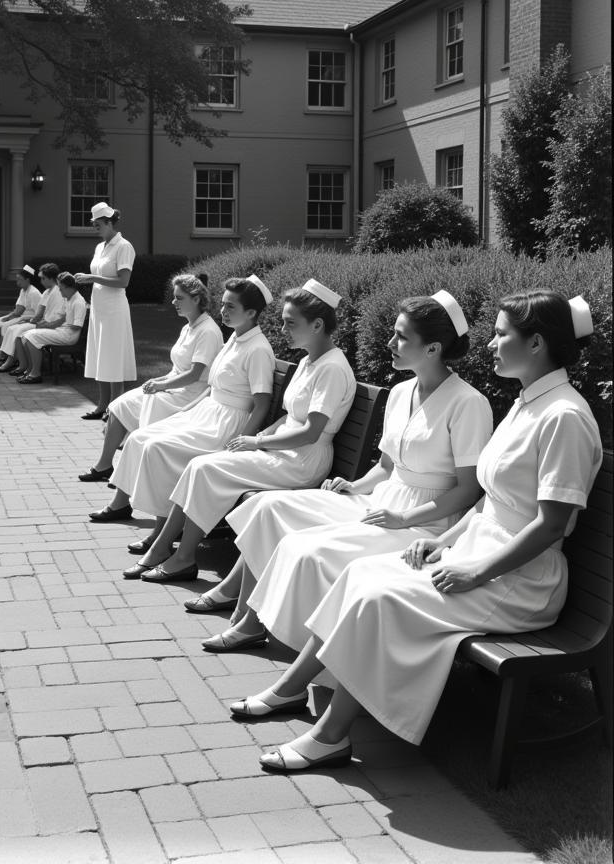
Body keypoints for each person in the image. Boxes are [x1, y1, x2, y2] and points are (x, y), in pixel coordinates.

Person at [229, 290, 601, 773]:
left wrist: (476, 572)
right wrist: (442, 541)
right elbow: (490, 500)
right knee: (359, 576)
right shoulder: (530, 403)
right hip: (475, 552)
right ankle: (293, 687)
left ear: (535, 344)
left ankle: (329, 736)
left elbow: (550, 525)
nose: (489, 344)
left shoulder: (565, 417)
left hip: (520, 580)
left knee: (378, 598)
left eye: (501, 334)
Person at [199, 292, 492, 652]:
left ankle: (253, 623)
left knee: (303, 548)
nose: (390, 342)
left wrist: (403, 519)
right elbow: (387, 466)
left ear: (432, 349)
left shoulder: (469, 404)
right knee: (267, 507)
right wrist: (354, 485)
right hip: (380, 501)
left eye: (401, 336)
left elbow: (467, 490)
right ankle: (248, 613)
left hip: (425, 522)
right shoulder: (401, 392)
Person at [127, 279, 357, 584]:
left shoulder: (331, 368)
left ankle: (179, 556)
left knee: (205, 467)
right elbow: (290, 417)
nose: (283, 329)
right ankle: (165, 548)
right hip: (283, 449)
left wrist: (258, 440)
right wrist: (260, 441)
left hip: (301, 461)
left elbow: (311, 432)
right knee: (200, 466)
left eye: (290, 323)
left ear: (316, 325)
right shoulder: (308, 360)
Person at [88, 276, 276, 579]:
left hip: (225, 424)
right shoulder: (235, 339)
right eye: (224, 304)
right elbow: (213, 386)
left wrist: (244, 440)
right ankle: (155, 529)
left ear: (252, 313)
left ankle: (160, 537)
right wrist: (186, 412)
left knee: (158, 448)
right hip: (207, 413)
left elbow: (262, 403)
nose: (223, 310)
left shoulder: (257, 349)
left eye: (231, 306)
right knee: (140, 437)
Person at [78, 273, 223, 486]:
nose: (174, 302)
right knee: (119, 404)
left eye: (179, 298)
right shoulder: (188, 327)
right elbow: (176, 370)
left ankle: (133, 477)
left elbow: (194, 375)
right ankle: (104, 466)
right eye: (174, 297)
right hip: (175, 388)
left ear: (197, 299)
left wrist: (161, 385)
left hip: (191, 396)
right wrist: (157, 381)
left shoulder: (208, 331)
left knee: (150, 404)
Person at [74, 202, 136, 420]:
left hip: (115, 311)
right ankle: (102, 405)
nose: (95, 227)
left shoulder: (124, 246)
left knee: (114, 358)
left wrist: (91, 278)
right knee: (100, 356)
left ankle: (115, 409)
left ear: (110, 222)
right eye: (93, 224)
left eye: (98, 224)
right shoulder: (100, 248)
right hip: (100, 309)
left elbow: (123, 281)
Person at [14, 272, 88, 384]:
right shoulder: (68, 298)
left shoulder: (78, 301)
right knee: (25, 336)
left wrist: (60, 323)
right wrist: (51, 324)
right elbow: (62, 318)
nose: (60, 292)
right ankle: (30, 371)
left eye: (61, 289)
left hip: (69, 335)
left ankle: (35, 374)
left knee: (30, 337)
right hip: (62, 331)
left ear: (69, 288)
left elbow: (77, 326)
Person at [0, 263, 62, 375]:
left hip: (48, 324)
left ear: (51, 278)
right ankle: (19, 363)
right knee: (12, 329)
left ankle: (20, 365)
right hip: (41, 322)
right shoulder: (47, 292)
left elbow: (47, 315)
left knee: (18, 331)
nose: (41, 281)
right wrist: (29, 319)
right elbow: (38, 313)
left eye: (43, 278)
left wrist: (30, 320)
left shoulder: (58, 291)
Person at [0, 265, 42, 362]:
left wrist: (11, 318)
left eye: (20, 280)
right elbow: (18, 309)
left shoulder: (34, 293)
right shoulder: (24, 290)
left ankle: (3, 354)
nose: (17, 282)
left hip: (28, 320)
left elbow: (38, 314)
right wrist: (8, 316)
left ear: (28, 279)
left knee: (3, 326)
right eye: (17, 279)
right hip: (21, 317)